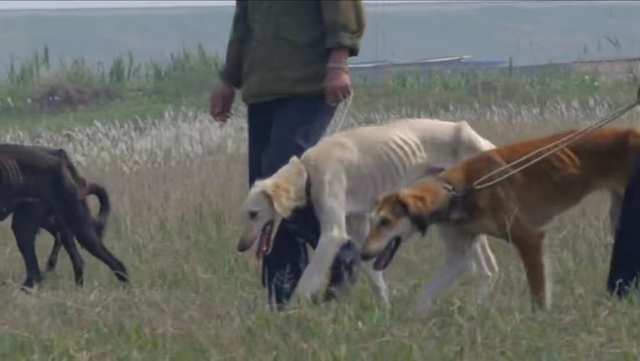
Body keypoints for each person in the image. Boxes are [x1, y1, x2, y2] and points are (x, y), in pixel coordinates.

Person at [210, 1, 366, 308]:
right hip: (263, 86)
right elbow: (244, 21)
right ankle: (282, 293)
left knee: (278, 187)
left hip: (309, 84)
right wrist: (228, 79)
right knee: (265, 190)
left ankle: (342, 256)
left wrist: (338, 62)